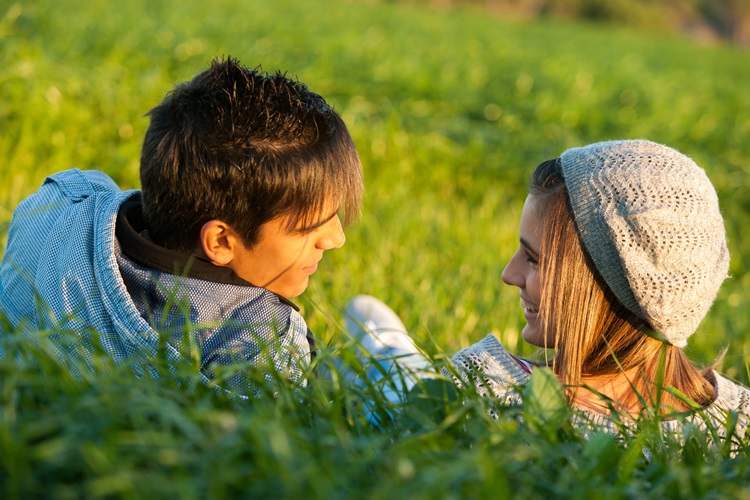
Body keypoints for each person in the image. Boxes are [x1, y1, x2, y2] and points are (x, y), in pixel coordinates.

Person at [0, 57, 363, 397]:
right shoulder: (258, 348)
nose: (336, 238)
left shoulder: (57, 207)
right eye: (311, 226)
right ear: (220, 241)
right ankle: (402, 368)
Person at [346, 140, 749, 440]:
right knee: (407, 378)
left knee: (402, 378)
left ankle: (388, 346)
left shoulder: (489, 396)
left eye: (535, 259)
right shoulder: (739, 423)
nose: (508, 274)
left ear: (607, 285)